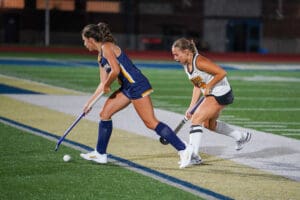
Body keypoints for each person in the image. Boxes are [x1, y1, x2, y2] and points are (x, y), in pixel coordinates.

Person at [79, 22, 193, 169]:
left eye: (84, 40)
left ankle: (184, 149)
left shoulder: (106, 47)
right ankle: (100, 154)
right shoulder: (100, 57)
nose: (84, 44)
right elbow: (102, 84)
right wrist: (89, 103)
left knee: (151, 122)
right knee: (105, 113)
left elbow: (115, 71)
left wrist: (107, 85)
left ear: (90, 39)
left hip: (137, 85)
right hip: (127, 87)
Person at [171, 38, 251, 165]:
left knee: (197, 119)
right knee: (209, 125)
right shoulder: (187, 66)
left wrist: (209, 86)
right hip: (212, 93)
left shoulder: (200, 61)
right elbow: (197, 85)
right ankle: (241, 137)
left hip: (221, 92)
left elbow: (221, 73)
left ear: (186, 52)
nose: (175, 58)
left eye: (177, 54)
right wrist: (191, 107)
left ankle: (193, 155)